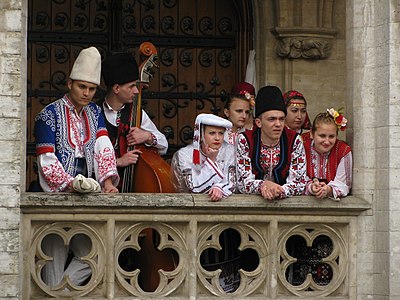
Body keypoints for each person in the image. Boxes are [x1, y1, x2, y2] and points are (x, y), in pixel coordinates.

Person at [34, 46, 120, 287]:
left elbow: (103, 145)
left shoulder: (94, 112)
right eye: (82, 87)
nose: (87, 93)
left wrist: (108, 182)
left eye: (92, 89)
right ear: (69, 83)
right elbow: (46, 160)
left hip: (90, 193)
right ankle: (56, 289)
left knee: (96, 255)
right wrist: (70, 183)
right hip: (56, 195)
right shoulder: (48, 115)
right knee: (53, 258)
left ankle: (58, 292)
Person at [171, 113, 239, 292]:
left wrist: (220, 189)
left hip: (224, 221)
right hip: (193, 219)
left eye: (220, 133)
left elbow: (233, 181)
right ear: (200, 134)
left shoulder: (230, 150)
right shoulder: (184, 155)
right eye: (212, 133)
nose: (217, 138)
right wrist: (212, 161)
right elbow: (193, 187)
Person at [98, 51, 168, 189]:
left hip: (134, 185)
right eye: (131, 86)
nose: (136, 91)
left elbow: (164, 145)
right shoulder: (93, 113)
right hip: (101, 188)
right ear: (116, 88)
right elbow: (85, 155)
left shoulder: (137, 113)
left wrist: (148, 136)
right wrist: (117, 162)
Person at [236, 85, 308, 200]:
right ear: (259, 122)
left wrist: (279, 191)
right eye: (272, 119)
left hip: (286, 205)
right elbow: (242, 183)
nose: (278, 124)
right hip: (252, 205)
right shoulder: (245, 140)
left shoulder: (295, 140)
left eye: (281, 119)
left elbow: (299, 183)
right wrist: (263, 185)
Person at [302, 108, 352, 200]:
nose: (327, 141)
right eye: (322, 136)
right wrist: (311, 187)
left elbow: (344, 185)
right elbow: (296, 178)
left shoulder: (343, 150)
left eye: (331, 136)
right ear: (312, 134)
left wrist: (328, 190)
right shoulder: (302, 146)